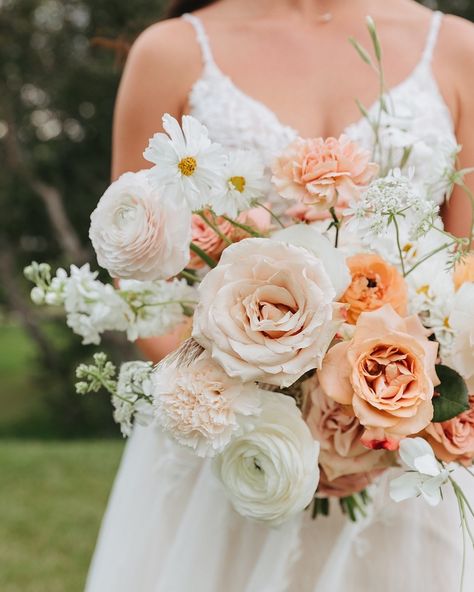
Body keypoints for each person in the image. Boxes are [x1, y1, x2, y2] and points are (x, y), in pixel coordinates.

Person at [86, 1, 474, 590]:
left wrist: (376, 424)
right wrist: (256, 419)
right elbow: (137, 273)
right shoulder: (171, 52)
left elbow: (466, 259)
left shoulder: (458, 49)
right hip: (228, 448)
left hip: (402, 450)